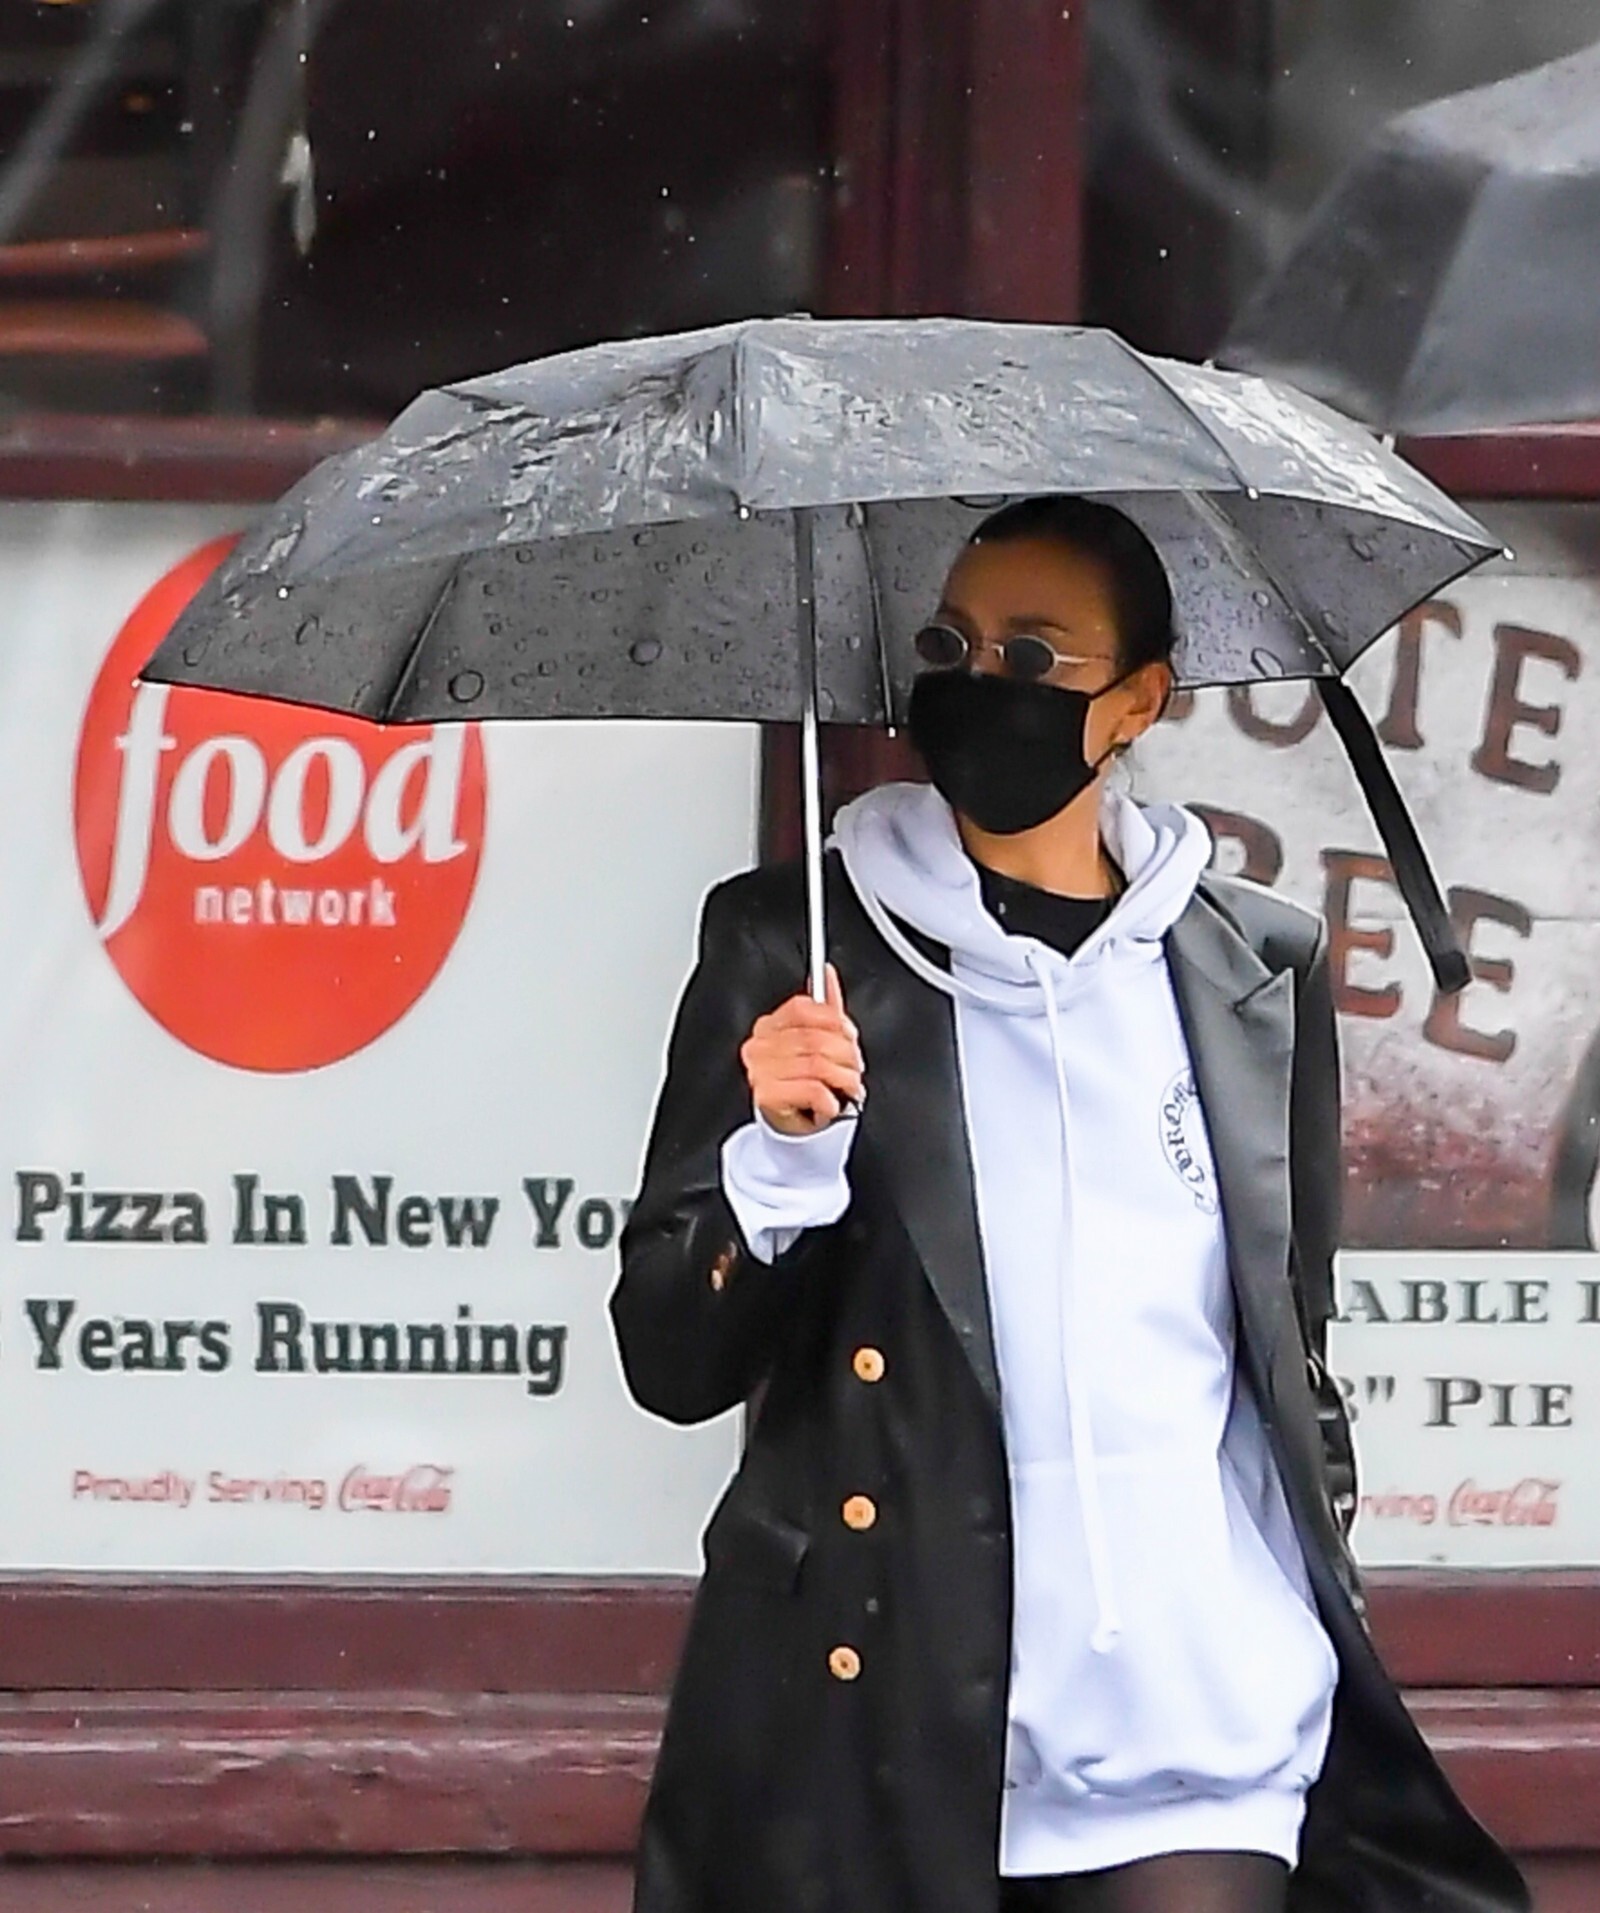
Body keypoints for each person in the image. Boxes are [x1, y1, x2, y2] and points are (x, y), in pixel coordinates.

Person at [610, 497, 1529, 1913]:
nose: (985, 682)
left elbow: (1284, 1350)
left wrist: (1287, 1576)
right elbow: (671, 1361)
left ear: (1138, 702)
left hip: (1194, 1716)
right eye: (952, 644)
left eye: (1036, 656)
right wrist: (779, 1160)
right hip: (886, 1698)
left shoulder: (1251, 965)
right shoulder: (798, 947)